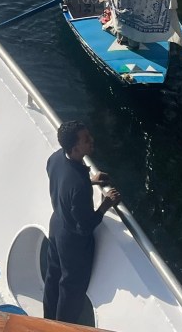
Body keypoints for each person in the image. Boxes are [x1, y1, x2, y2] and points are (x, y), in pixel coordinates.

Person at [42, 121, 121, 323]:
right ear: (76, 148)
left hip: (56, 226)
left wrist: (90, 179)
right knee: (70, 289)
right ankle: (61, 327)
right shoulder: (79, 186)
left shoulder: (55, 159)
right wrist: (106, 204)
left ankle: (46, 322)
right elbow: (84, 226)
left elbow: (64, 183)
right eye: (86, 139)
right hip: (72, 244)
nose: (91, 140)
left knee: (53, 277)